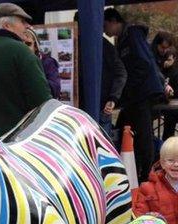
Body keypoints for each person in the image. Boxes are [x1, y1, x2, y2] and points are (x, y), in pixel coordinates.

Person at [0, 3, 52, 137]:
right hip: (17, 143)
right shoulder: (22, 52)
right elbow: (43, 104)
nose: (27, 26)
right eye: (22, 22)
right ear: (7, 25)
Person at [104, 8, 164, 182]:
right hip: (134, 96)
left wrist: (128, 88)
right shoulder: (122, 39)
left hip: (142, 93)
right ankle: (134, 169)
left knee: (143, 135)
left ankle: (147, 175)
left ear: (114, 21)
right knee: (127, 129)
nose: (104, 30)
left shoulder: (132, 35)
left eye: (105, 25)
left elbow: (143, 64)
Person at [74, 11, 127, 139]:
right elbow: (121, 73)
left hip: (98, 107)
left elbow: (120, 73)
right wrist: (113, 98)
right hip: (92, 106)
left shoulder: (103, 46)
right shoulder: (102, 45)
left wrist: (113, 98)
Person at [24, 28, 61, 99]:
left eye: (28, 44)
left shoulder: (47, 62)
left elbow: (55, 90)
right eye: (20, 43)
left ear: (35, 47)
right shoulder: (13, 61)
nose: (24, 47)